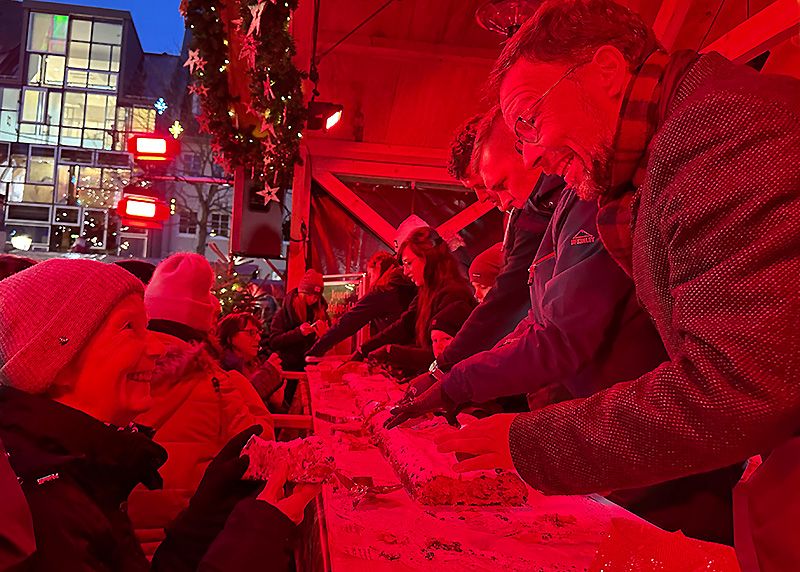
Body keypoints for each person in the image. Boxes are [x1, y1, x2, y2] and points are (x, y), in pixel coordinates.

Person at [436, 0, 800, 567]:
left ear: (607, 70)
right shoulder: (652, 161)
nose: (531, 152)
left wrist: (529, 440)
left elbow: (736, 385)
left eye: (529, 118)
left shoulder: (715, 132)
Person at [391, 108, 742, 543]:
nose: (495, 199)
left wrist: (452, 380)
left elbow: (557, 335)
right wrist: (453, 378)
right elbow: (537, 323)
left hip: (658, 436)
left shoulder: (588, 200)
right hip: (616, 433)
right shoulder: (556, 213)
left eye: (497, 184)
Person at [0, 259, 316, 571]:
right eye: (129, 327)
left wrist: (204, 518)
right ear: (56, 363)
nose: (155, 346)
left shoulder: (86, 469)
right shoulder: (38, 511)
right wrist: (253, 542)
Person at [128, 253, 274, 557]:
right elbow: (261, 454)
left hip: (119, 543)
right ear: (204, 326)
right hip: (185, 542)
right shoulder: (220, 384)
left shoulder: (113, 371)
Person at [430, 112, 565, 386]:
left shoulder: (545, 207)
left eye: (487, 184)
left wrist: (449, 369)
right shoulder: (526, 210)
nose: (486, 198)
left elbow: (511, 295)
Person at [358, 227, 476, 376]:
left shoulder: (453, 295)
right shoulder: (428, 291)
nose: (406, 272)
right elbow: (405, 324)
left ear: (428, 258)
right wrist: (364, 349)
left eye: (409, 263)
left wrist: (391, 352)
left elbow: (442, 356)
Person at [306, 251, 417, 358]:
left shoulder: (382, 290)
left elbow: (348, 322)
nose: (371, 280)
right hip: (411, 354)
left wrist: (315, 350)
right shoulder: (412, 286)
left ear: (377, 270)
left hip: (390, 356)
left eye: (371, 275)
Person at [218, 312, 286, 412]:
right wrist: (268, 373)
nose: (258, 338)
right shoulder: (224, 369)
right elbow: (240, 405)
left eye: (258, 332)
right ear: (230, 337)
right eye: (251, 332)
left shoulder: (253, 363)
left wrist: (276, 402)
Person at [270, 269, 330, 374]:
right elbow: (274, 342)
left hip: (312, 368)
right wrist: (298, 333)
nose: (314, 299)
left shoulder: (322, 313)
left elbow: (326, 344)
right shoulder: (284, 313)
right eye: (310, 295)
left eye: (317, 296)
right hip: (289, 370)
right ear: (302, 293)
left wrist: (324, 336)